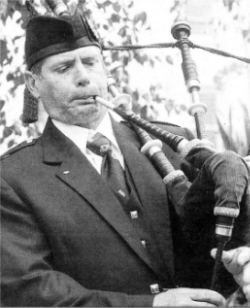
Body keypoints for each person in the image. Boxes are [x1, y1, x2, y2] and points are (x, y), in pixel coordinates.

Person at [1, 9, 250, 307]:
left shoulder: (169, 145)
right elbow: (28, 289)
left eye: (91, 62)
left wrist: (242, 260)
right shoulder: (14, 178)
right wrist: (152, 305)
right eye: (64, 68)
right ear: (32, 83)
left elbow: (211, 245)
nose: (83, 78)